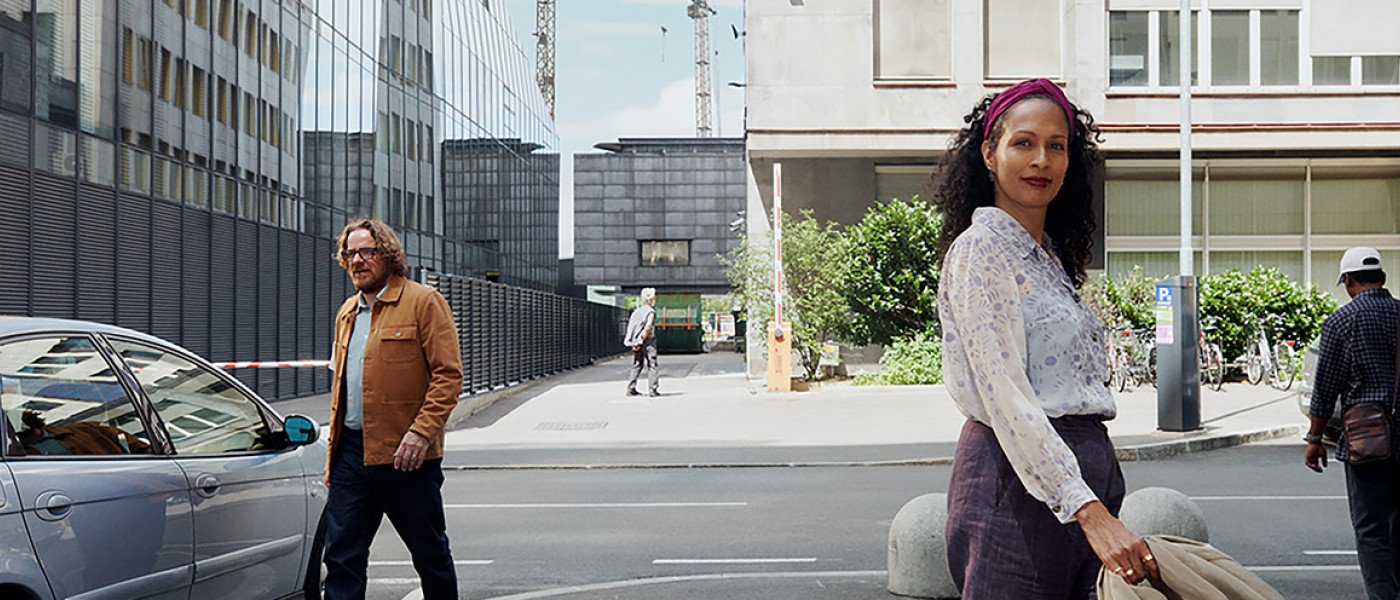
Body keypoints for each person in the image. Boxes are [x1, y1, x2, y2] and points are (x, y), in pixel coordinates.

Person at [933, 79, 1157, 598]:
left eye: (1057, 146)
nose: (1042, 160)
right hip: (1015, 487)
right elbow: (1007, 399)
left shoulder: (1047, 259)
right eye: (1024, 143)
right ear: (989, 154)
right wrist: (1089, 510)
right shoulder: (982, 251)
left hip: (1074, 478)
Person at [325, 218, 463, 599]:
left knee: (429, 555)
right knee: (341, 558)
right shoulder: (346, 314)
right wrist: (332, 460)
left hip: (408, 457)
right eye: (349, 253)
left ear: (387, 254)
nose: (357, 260)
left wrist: (421, 432)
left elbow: (448, 376)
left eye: (366, 251)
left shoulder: (423, 302)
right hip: (352, 454)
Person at [1304, 246, 1399, 600]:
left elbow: (1325, 386)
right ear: (1383, 278)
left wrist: (1315, 438)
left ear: (1348, 280)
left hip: (1367, 440)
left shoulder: (1341, 321)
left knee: (1371, 528)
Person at [624, 287, 660, 397]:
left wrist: (634, 342)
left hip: (636, 341)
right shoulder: (650, 312)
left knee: (637, 364)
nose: (655, 299)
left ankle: (631, 388)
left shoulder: (637, 311)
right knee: (652, 363)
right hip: (647, 340)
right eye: (654, 297)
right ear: (650, 300)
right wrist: (642, 339)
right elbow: (648, 327)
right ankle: (652, 390)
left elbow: (632, 327)